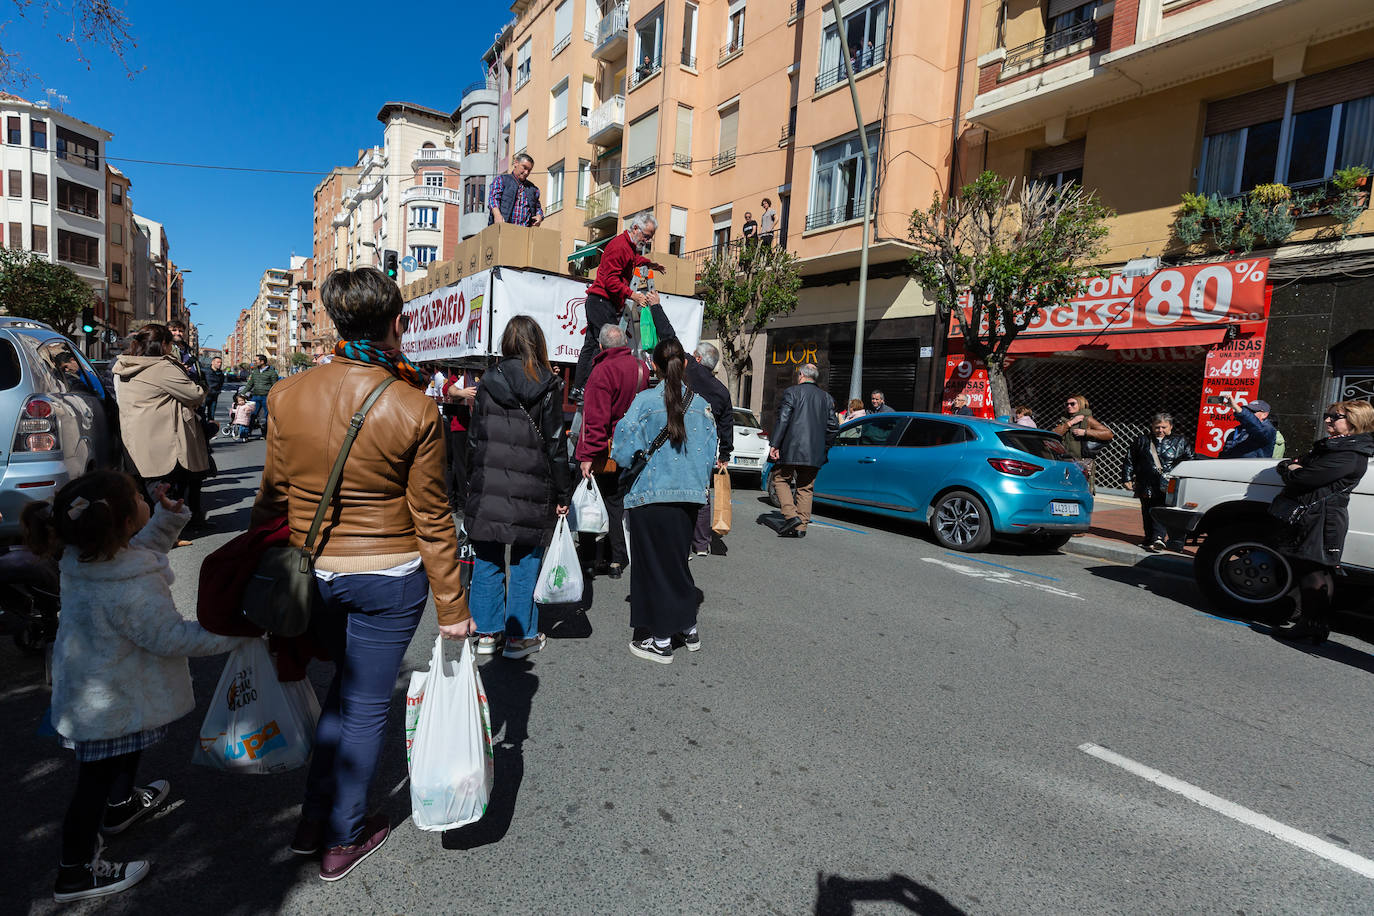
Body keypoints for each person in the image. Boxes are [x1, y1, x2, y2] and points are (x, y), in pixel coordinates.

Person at [252, 266, 471, 882]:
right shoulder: (413, 406)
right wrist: (453, 609)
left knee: (341, 698)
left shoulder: (286, 395)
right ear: (395, 323)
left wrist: (256, 569)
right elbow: (432, 518)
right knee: (364, 706)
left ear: (336, 320)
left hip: (312, 570)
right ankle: (342, 838)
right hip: (388, 576)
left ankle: (310, 822)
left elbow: (271, 497)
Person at [46, 472, 246, 902]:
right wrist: (242, 634)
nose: (144, 497)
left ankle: (120, 808)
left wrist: (165, 519)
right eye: (138, 497)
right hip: (107, 699)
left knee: (120, 752)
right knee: (92, 783)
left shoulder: (88, 556)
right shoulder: (128, 588)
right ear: (120, 523)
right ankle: (75, 872)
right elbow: (173, 637)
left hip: (103, 692)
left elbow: (142, 551)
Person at [464, 316, 572, 658]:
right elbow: (555, 443)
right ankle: (519, 636)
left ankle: (486, 633)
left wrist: (471, 481)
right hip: (532, 484)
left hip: (489, 482)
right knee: (526, 560)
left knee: (487, 557)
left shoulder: (487, 383)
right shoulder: (548, 383)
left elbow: (473, 439)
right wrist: (562, 492)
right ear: (536, 343)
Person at [610, 337, 716, 663]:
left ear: (653, 365)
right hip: (688, 498)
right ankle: (688, 625)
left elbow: (622, 449)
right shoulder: (701, 404)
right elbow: (710, 454)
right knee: (675, 562)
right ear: (685, 364)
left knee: (652, 567)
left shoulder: (644, 402)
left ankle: (660, 640)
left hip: (650, 495)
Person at [1269, 401, 1374, 644]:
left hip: (1323, 518)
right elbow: (1294, 464)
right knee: (1314, 570)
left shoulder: (1348, 453)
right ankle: (1313, 623)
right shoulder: (1335, 447)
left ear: (1354, 422)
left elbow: (1303, 477)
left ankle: (1311, 625)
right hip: (1318, 515)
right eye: (1327, 415)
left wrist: (1291, 468)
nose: (1327, 420)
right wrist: (1291, 466)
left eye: (1334, 416)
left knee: (1314, 571)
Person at [112, 324, 211, 529]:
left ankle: (148, 531)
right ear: (164, 344)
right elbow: (195, 394)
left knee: (147, 491)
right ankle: (167, 535)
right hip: (163, 440)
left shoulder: (123, 365)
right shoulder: (161, 366)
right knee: (164, 492)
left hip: (135, 439)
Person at [576, 324, 651, 579]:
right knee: (617, 503)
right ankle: (617, 559)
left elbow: (596, 418)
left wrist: (588, 454)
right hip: (633, 446)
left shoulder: (602, 370)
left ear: (600, 346)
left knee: (591, 502)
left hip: (605, 448)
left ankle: (588, 558)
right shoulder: (642, 368)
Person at [573, 213, 665, 394]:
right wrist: (633, 295)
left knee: (592, 344)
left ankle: (579, 388)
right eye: (646, 235)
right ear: (636, 228)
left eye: (650, 238)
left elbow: (632, 261)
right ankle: (589, 387)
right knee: (606, 346)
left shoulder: (628, 247)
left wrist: (650, 264)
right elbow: (611, 280)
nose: (647, 240)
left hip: (599, 301)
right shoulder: (619, 246)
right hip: (602, 301)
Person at [769, 363, 839, 538]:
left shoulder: (792, 392)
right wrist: (825, 446)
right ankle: (802, 527)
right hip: (814, 451)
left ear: (801, 375)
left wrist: (775, 444)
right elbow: (833, 427)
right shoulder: (826, 398)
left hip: (791, 448)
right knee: (806, 487)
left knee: (780, 479)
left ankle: (791, 515)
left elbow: (783, 419)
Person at [686, 342, 733, 558]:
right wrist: (724, 454)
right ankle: (702, 543)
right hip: (706, 447)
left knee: (681, 492)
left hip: (684, 441)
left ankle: (683, 543)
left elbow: (670, 338)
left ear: (697, 359)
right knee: (703, 494)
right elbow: (727, 425)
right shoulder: (722, 391)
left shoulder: (691, 372)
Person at [1122, 412, 1194, 551]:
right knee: (1147, 511)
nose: (1160, 430)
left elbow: (1190, 460)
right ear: (1152, 427)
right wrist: (1127, 478)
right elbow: (1130, 460)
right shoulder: (1142, 440)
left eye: (1164, 427)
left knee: (1160, 510)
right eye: (1157, 427)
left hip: (1168, 484)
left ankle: (1158, 538)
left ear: (1171, 427)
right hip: (1146, 483)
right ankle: (1149, 538)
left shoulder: (1180, 441)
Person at [1053, 394, 1113, 493]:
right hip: (1064, 462)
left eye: (1072, 404)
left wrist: (1085, 432)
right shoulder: (1064, 420)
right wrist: (1071, 423)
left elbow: (1108, 434)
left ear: (1080, 404)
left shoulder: (1087, 419)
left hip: (1082, 463)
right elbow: (1054, 435)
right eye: (1067, 404)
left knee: (1081, 492)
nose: (1069, 406)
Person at [487, 153, 544, 227]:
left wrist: (539, 216)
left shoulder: (533, 189)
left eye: (529, 170)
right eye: (524, 167)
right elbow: (493, 199)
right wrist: (497, 215)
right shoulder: (502, 180)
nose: (526, 172)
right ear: (516, 163)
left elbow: (538, 208)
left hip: (524, 232)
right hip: (503, 227)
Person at [242, 354, 280, 439]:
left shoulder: (272, 373)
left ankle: (265, 434)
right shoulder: (255, 372)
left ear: (262, 362)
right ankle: (247, 433)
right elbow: (249, 385)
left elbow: (275, 386)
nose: (254, 362)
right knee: (252, 414)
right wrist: (242, 394)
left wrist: (274, 398)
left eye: (256, 361)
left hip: (266, 397)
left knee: (267, 416)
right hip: (255, 397)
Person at [203, 356, 226, 424]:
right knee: (201, 413)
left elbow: (221, 383)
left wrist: (218, 391)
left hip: (214, 396)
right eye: (218, 362)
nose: (219, 364)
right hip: (205, 396)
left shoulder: (221, 373)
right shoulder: (205, 371)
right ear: (212, 362)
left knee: (211, 416)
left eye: (221, 362)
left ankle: (210, 431)